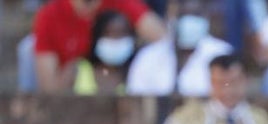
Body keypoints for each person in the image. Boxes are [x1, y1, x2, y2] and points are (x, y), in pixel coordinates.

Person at [30, 0, 166, 93]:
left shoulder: (121, 3)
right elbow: (50, 91)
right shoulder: (50, 15)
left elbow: (163, 38)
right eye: (109, 33)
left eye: (119, 34)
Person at [162, 53, 268, 124]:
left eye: (234, 82)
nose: (228, 90)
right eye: (220, 83)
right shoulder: (186, 118)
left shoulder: (264, 122)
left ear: (245, 81)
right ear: (211, 83)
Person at [126, 0, 234, 97]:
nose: (189, 20)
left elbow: (231, 96)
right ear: (170, 16)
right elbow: (136, 99)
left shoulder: (222, 53)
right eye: (182, 15)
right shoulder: (148, 57)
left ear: (205, 16)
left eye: (195, 14)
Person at [74, 9, 136, 94]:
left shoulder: (136, 72)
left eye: (121, 33)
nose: (116, 40)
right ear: (97, 37)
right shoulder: (77, 70)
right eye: (110, 33)